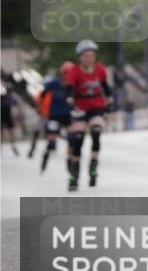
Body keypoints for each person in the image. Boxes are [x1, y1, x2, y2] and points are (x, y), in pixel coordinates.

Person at [64, 40, 114, 191]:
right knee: (78, 141)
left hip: (96, 106)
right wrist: (70, 98)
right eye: (86, 56)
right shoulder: (75, 70)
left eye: (91, 56)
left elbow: (105, 87)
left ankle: (93, 165)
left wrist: (110, 100)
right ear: (80, 57)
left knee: (96, 133)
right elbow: (69, 88)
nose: (89, 59)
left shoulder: (99, 69)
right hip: (80, 107)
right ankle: (74, 174)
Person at [32, 62, 75, 173]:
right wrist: (39, 108)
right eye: (66, 73)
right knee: (52, 141)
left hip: (66, 115)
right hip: (54, 115)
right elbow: (42, 95)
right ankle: (46, 155)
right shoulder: (53, 84)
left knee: (72, 138)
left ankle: (69, 160)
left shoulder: (72, 85)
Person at [1, 83, 19, 156]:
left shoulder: (12, 97)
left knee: (11, 132)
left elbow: (15, 103)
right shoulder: (2, 97)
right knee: (1, 133)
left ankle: (13, 146)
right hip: (1, 116)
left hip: (8, 116)